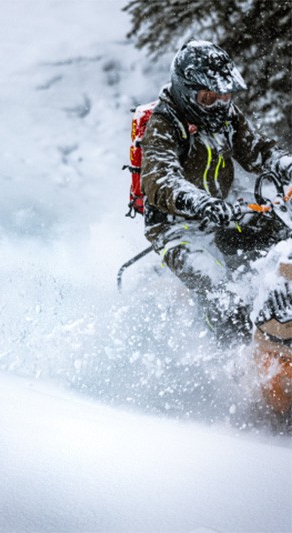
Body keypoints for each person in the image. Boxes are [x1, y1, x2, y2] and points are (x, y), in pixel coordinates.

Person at [141, 40, 292, 345]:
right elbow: (160, 180)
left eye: (223, 96)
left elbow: (256, 148)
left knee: (280, 238)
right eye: (209, 97)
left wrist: (284, 163)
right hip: (176, 228)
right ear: (187, 92)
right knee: (220, 291)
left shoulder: (225, 115)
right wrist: (201, 203)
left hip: (221, 214)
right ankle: (231, 356)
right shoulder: (163, 126)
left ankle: (280, 313)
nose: (219, 104)